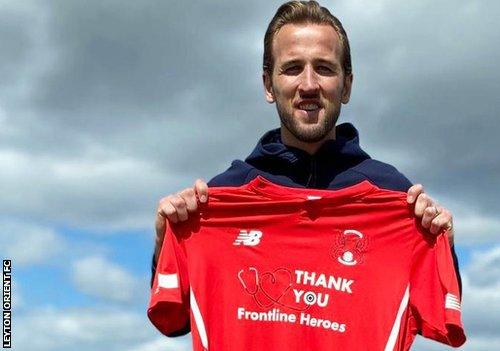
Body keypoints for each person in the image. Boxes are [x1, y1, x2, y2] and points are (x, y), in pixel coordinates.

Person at [151, 0, 460, 338]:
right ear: (269, 85)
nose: (309, 84)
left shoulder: (395, 197)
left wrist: (441, 243)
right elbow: (173, 321)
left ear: (347, 85)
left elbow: (438, 318)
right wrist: (167, 238)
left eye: (325, 68)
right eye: (293, 68)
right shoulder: (221, 198)